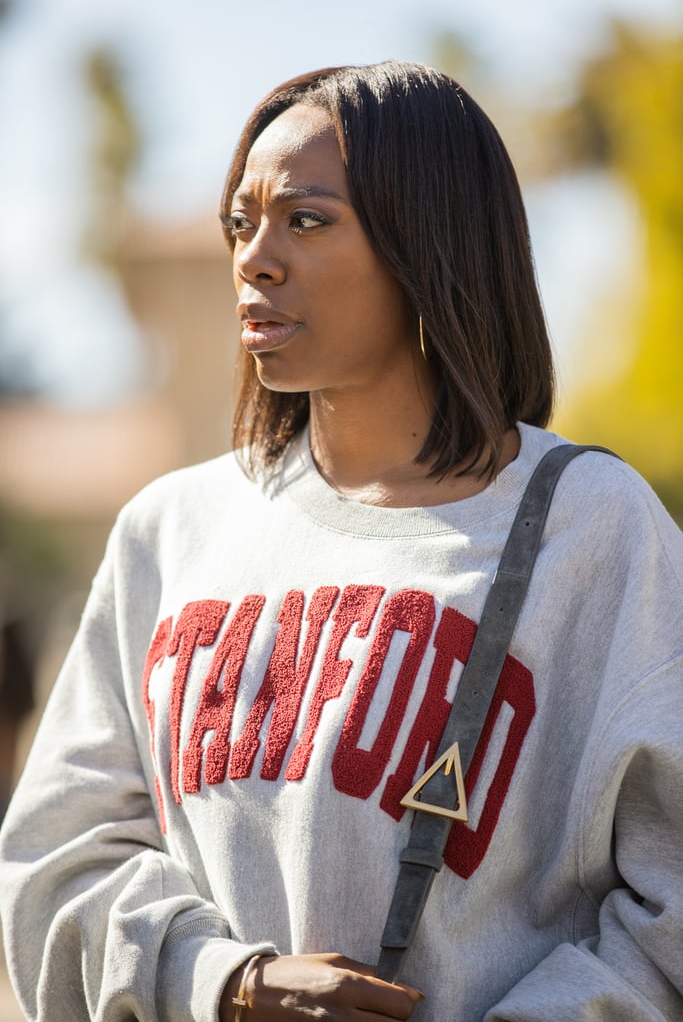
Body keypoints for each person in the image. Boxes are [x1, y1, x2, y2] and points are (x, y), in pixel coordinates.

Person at [1, 60, 682, 1022]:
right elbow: (54, 863)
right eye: (242, 223)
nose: (255, 258)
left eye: (306, 219)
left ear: (428, 241)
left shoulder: (595, 530)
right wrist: (225, 983)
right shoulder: (170, 533)